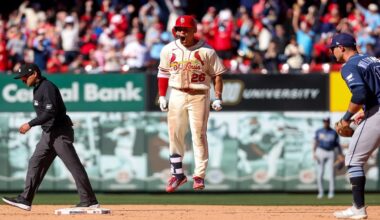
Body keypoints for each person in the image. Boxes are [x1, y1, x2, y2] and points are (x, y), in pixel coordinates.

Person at [2, 63, 99, 211]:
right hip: (48, 134)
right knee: (35, 162)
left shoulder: (47, 87)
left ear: (34, 74)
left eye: (24, 77)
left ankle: (89, 200)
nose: (23, 80)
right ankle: (25, 199)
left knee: (73, 165)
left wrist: (30, 124)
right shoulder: (38, 88)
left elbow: (50, 112)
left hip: (59, 133)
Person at [157, 15, 226, 193]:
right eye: (178, 29)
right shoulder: (168, 49)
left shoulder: (207, 50)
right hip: (177, 93)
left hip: (199, 94)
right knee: (175, 133)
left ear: (193, 30)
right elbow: (163, 73)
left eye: (185, 29)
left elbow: (218, 74)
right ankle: (178, 174)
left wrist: (218, 96)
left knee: (198, 135)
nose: (181, 32)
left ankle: (199, 175)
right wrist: (162, 96)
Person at [330, 33, 380, 219]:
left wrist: (346, 118)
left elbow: (359, 94)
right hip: (376, 108)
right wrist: (365, 111)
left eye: (332, 47)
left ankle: (358, 209)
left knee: (353, 160)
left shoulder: (349, 65)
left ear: (341, 47)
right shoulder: (373, 59)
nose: (331, 51)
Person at [313, 117, 343, 199]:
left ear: (329, 122)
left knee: (331, 173)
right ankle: (321, 192)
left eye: (327, 121)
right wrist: (314, 153)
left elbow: (337, 144)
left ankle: (331, 192)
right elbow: (315, 142)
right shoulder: (319, 131)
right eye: (324, 121)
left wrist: (340, 154)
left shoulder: (333, 132)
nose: (326, 123)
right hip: (320, 151)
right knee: (320, 172)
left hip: (331, 152)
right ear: (323, 122)